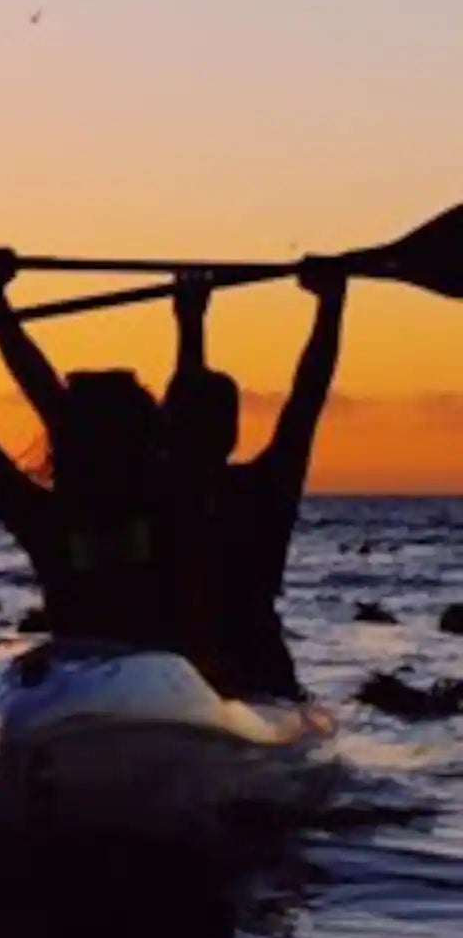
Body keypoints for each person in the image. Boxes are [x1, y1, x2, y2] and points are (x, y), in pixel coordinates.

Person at [0, 248, 172, 648]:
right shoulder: (174, 500)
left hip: (102, 670)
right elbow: (43, 402)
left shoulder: (45, 521)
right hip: (157, 673)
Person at [162, 259, 348, 699]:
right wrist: (331, 304)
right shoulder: (266, 485)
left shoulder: (166, 488)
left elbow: (308, 394)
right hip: (235, 670)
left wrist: (190, 322)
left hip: (235, 673)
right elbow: (307, 396)